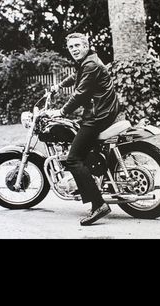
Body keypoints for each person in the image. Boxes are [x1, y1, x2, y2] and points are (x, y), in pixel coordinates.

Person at [51, 32, 120, 226]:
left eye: (77, 45)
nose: (74, 49)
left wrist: (62, 112)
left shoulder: (89, 65)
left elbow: (81, 94)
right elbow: (76, 77)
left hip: (98, 115)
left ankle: (98, 204)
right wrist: (59, 86)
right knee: (81, 147)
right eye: (71, 47)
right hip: (104, 110)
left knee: (73, 159)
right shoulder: (88, 61)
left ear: (86, 45)